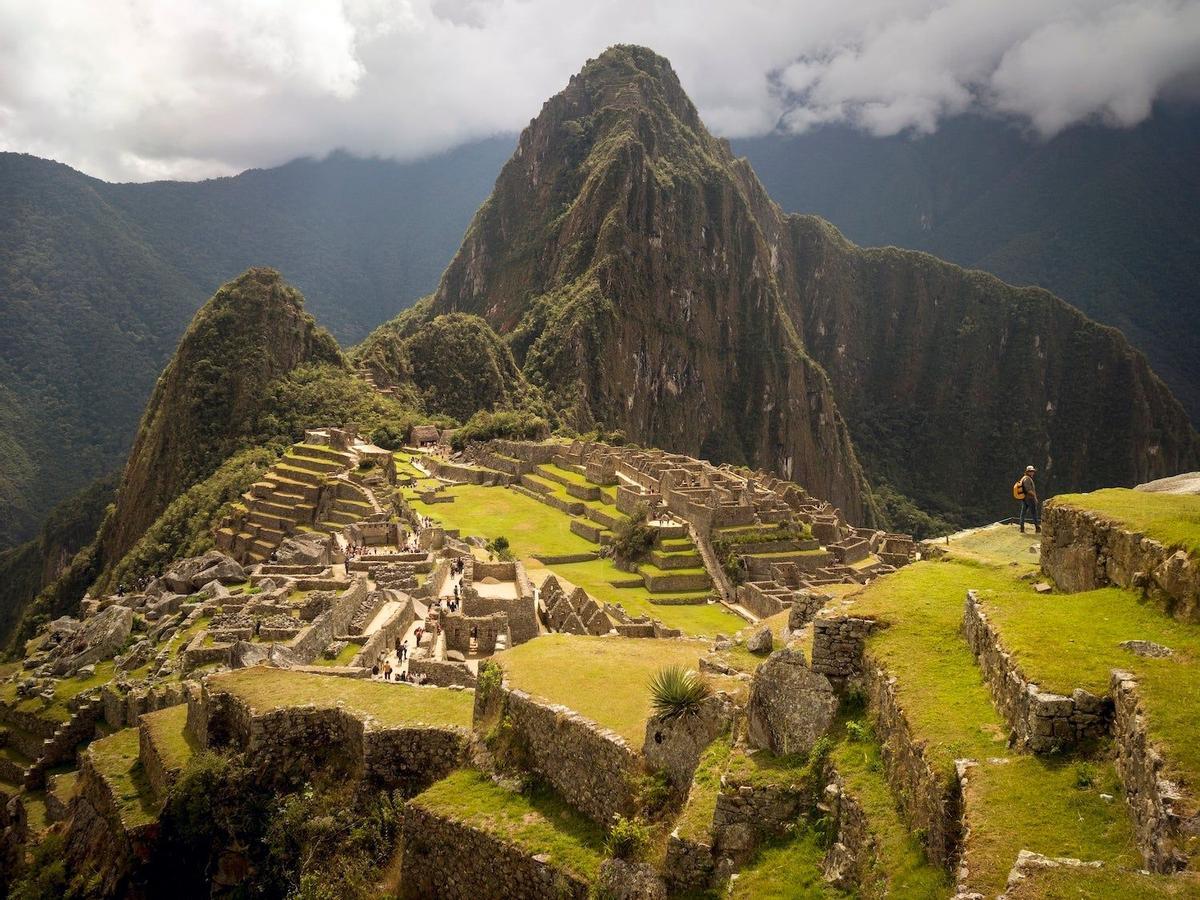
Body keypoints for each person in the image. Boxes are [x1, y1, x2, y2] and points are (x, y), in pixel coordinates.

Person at [1018, 465, 1041, 533]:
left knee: (1023, 513)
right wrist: (1035, 497)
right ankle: (1037, 527)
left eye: (1033, 471)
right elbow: (1028, 490)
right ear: (1027, 472)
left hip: (1024, 498)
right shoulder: (1027, 479)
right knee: (1034, 513)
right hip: (1030, 498)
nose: (1032, 472)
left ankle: (1022, 527)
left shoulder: (1024, 478)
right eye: (1031, 471)